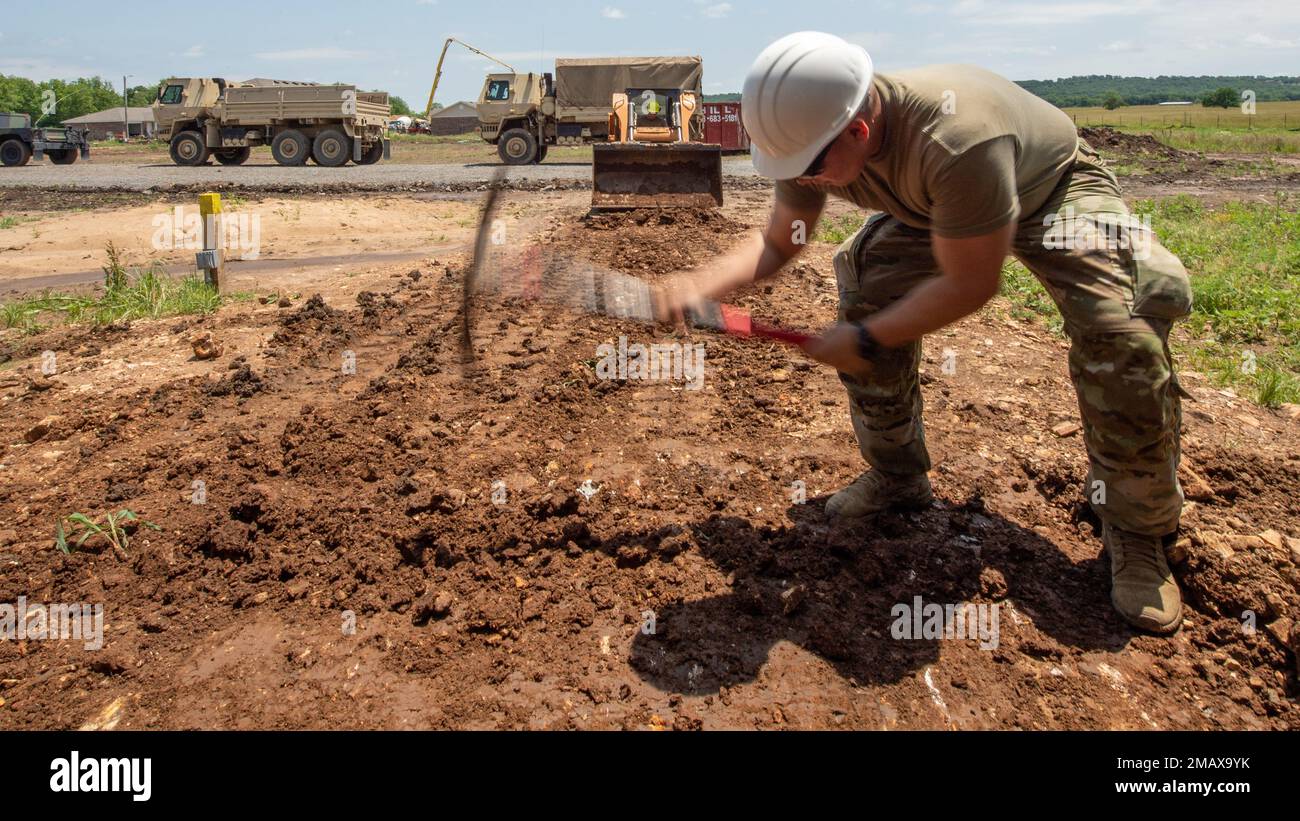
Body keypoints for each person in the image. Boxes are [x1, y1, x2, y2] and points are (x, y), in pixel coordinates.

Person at [657, 32, 1194, 634]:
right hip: (941, 209)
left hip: (1051, 192)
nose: (802, 182)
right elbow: (783, 240)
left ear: (859, 132)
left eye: (809, 171)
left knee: (1121, 332)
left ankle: (1137, 528)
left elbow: (971, 282)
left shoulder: (954, 138)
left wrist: (863, 341)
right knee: (868, 292)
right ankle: (896, 474)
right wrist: (699, 286)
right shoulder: (807, 139)